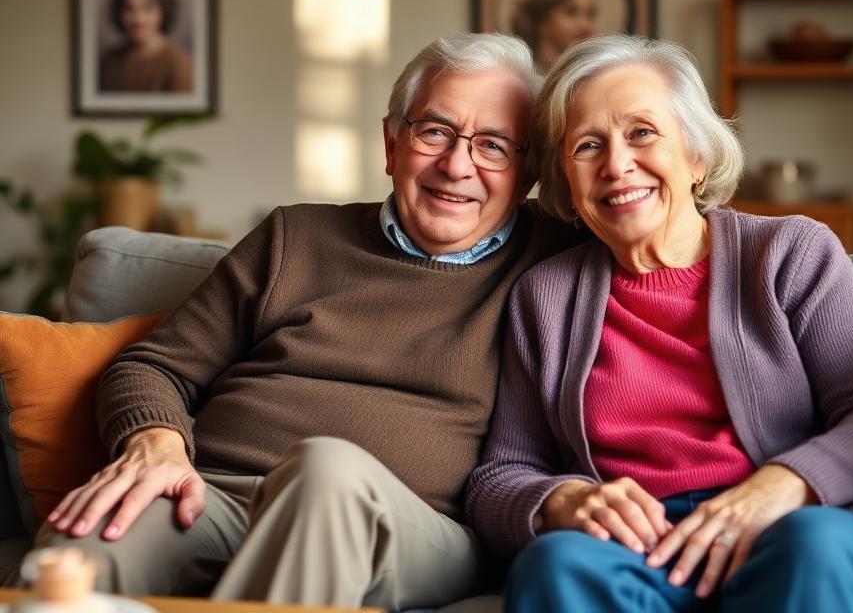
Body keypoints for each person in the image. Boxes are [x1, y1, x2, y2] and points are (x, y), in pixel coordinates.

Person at [38, 33, 575, 611]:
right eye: (435, 131)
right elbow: (153, 366)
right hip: (216, 494)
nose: (457, 164)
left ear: (527, 177)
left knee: (328, 472)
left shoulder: (555, 263)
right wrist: (156, 444)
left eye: (494, 145)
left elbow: (660, 222)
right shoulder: (294, 236)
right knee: (87, 546)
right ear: (392, 144)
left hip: (412, 528)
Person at [465, 34, 853, 612]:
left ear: (696, 155)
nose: (616, 164)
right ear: (566, 180)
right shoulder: (546, 297)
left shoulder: (790, 254)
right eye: (588, 145)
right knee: (556, 563)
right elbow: (502, 474)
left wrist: (785, 484)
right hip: (643, 554)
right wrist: (561, 500)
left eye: (642, 132)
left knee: (811, 548)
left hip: (798, 528)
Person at [99, 0, 192, 92]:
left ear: (163, 11)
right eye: (129, 8)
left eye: (148, 9)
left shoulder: (180, 63)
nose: (138, 19)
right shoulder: (108, 60)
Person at [510, 0, 598, 73]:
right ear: (542, 18)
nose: (585, 25)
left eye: (590, 14)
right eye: (571, 12)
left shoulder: (593, 78)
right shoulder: (520, 80)